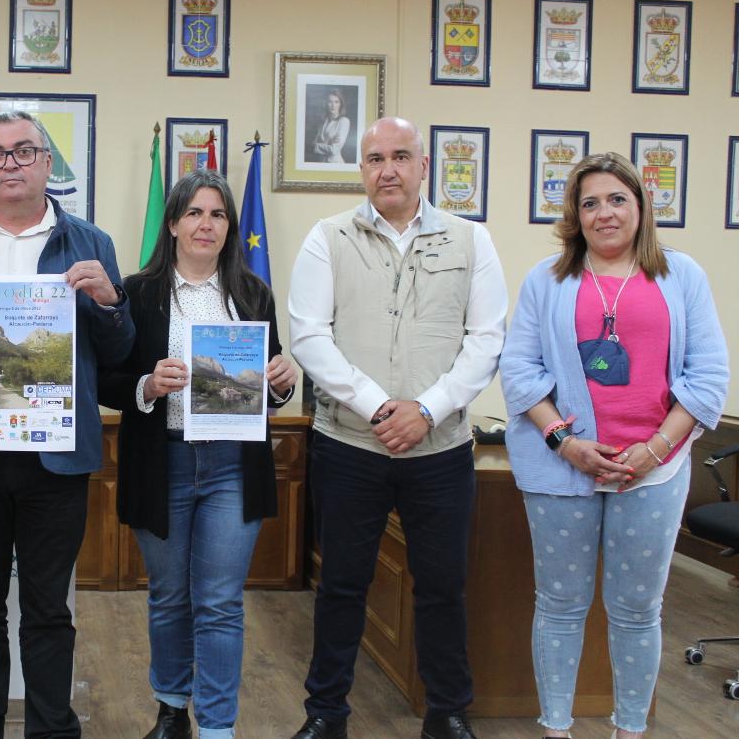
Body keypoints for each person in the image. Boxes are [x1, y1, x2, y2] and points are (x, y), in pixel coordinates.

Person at [287, 116, 507, 739]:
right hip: (351, 445)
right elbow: (309, 334)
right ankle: (326, 714)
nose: (387, 168)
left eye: (401, 156)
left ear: (423, 167)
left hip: (439, 450)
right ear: (362, 169)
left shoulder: (471, 241)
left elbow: (486, 339)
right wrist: (382, 407)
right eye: (375, 158)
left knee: (442, 588)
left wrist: (428, 410)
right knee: (341, 587)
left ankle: (446, 714)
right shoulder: (326, 238)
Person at [499, 152, 728, 739]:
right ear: (575, 215)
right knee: (559, 607)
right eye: (590, 202)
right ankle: (557, 728)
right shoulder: (545, 281)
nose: (605, 213)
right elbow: (520, 372)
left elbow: (708, 378)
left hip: (652, 471)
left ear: (641, 205)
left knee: (635, 613)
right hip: (563, 471)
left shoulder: (683, 276)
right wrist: (566, 442)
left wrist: (652, 450)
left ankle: (630, 730)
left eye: (617, 199)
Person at [0, 110, 134, 739]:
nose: (9, 163)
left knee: (48, 608)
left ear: (47, 163)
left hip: (56, 459)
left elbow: (121, 354)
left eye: (23, 151)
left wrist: (110, 303)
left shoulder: (92, 244)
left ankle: (51, 728)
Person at [97, 169, 296, 739]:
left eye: (217, 214)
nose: (206, 225)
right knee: (168, 597)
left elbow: (271, 384)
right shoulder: (137, 292)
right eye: (194, 213)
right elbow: (104, 379)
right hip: (163, 463)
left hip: (234, 465)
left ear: (230, 226)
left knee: (219, 602)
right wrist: (148, 384)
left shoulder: (253, 293)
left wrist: (281, 381)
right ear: (174, 223)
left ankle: (216, 727)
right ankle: (170, 711)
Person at [312, 90, 350, 164]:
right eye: (330, 102)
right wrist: (328, 143)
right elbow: (313, 143)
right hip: (320, 164)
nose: (333, 105)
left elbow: (334, 150)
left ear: (340, 104)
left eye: (336, 102)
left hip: (335, 163)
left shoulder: (344, 121)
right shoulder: (323, 122)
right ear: (326, 104)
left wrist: (316, 146)